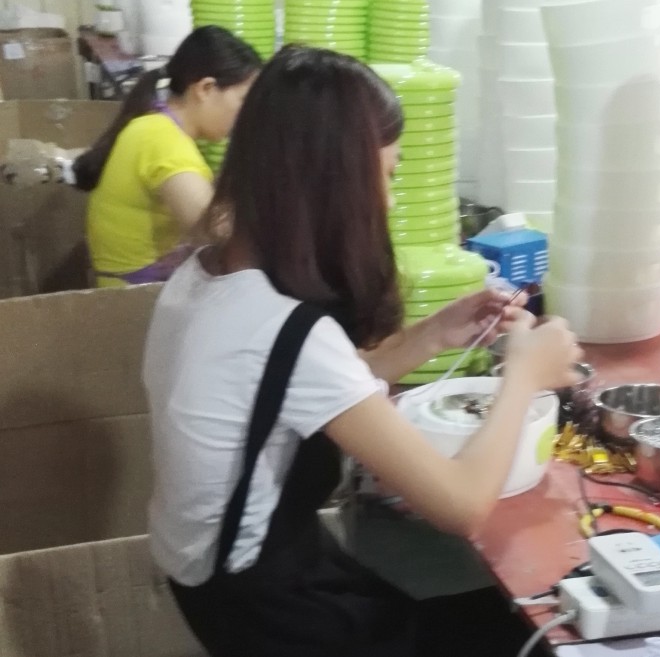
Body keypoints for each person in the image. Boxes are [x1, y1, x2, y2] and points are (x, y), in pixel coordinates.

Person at [143, 46, 581, 657]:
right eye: (388, 176)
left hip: (221, 586)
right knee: (540, 627)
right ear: (335, 184)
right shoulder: (282, 325)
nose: (390, 201)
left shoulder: (204, 277)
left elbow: (299, 388)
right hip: (270, 614)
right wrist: (525, 376)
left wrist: (433, 334)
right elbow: (461, 506)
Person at [74, 26, 261, 287]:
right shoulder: (165, 143)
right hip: (134, 299)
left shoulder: (153, 124)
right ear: (206, 88)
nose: (248, 115)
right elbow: (217, 235)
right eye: (243, 100)